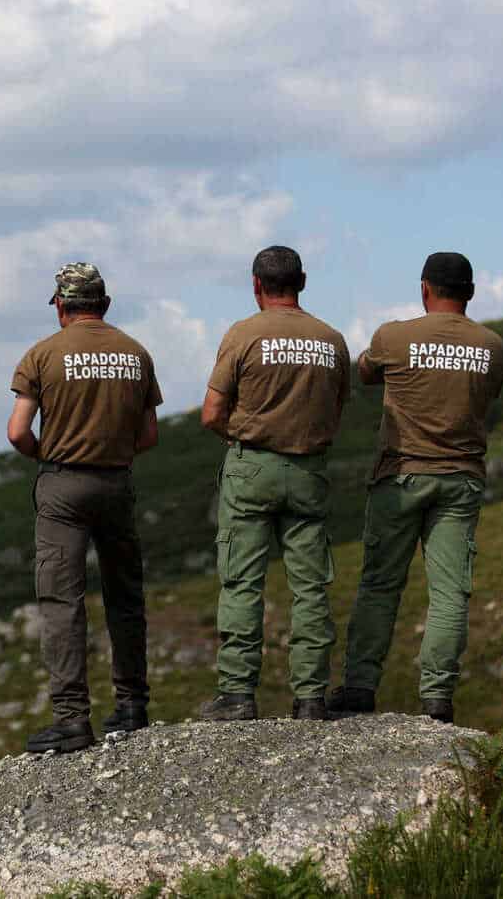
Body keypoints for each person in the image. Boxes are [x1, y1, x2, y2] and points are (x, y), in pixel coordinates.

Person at [329, 252, 503, 724]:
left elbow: (365, 371)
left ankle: (360, 688)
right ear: (470, 292)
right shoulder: (493, 346)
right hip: (461, 479)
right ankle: (436, 700)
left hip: (400, 475)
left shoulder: (395, 336)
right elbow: (487, 393)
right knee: (449, 594)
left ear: (424, 288)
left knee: (380, 585)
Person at [8, 262, 163, 754]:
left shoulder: (42, 354)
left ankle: (73, 718)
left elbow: (17, 431)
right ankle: (133, 704)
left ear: (60, 305)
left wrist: (49, 455)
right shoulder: (135, 354)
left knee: (62, 603)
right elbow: (149, 435)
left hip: (63, 485)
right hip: (117, 484)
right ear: (105, 304)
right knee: (124, 596)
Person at [198, 246, 350, 722]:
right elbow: (337, 408)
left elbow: (211, 414)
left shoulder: (243, 334)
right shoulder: (331, 340)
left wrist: (246, 439)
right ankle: (310, 697)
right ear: (302, 282)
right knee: (310, 588)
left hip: (251, 468)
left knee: (243, 581)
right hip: (308, 471)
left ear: (256, 284)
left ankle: (238, 694)